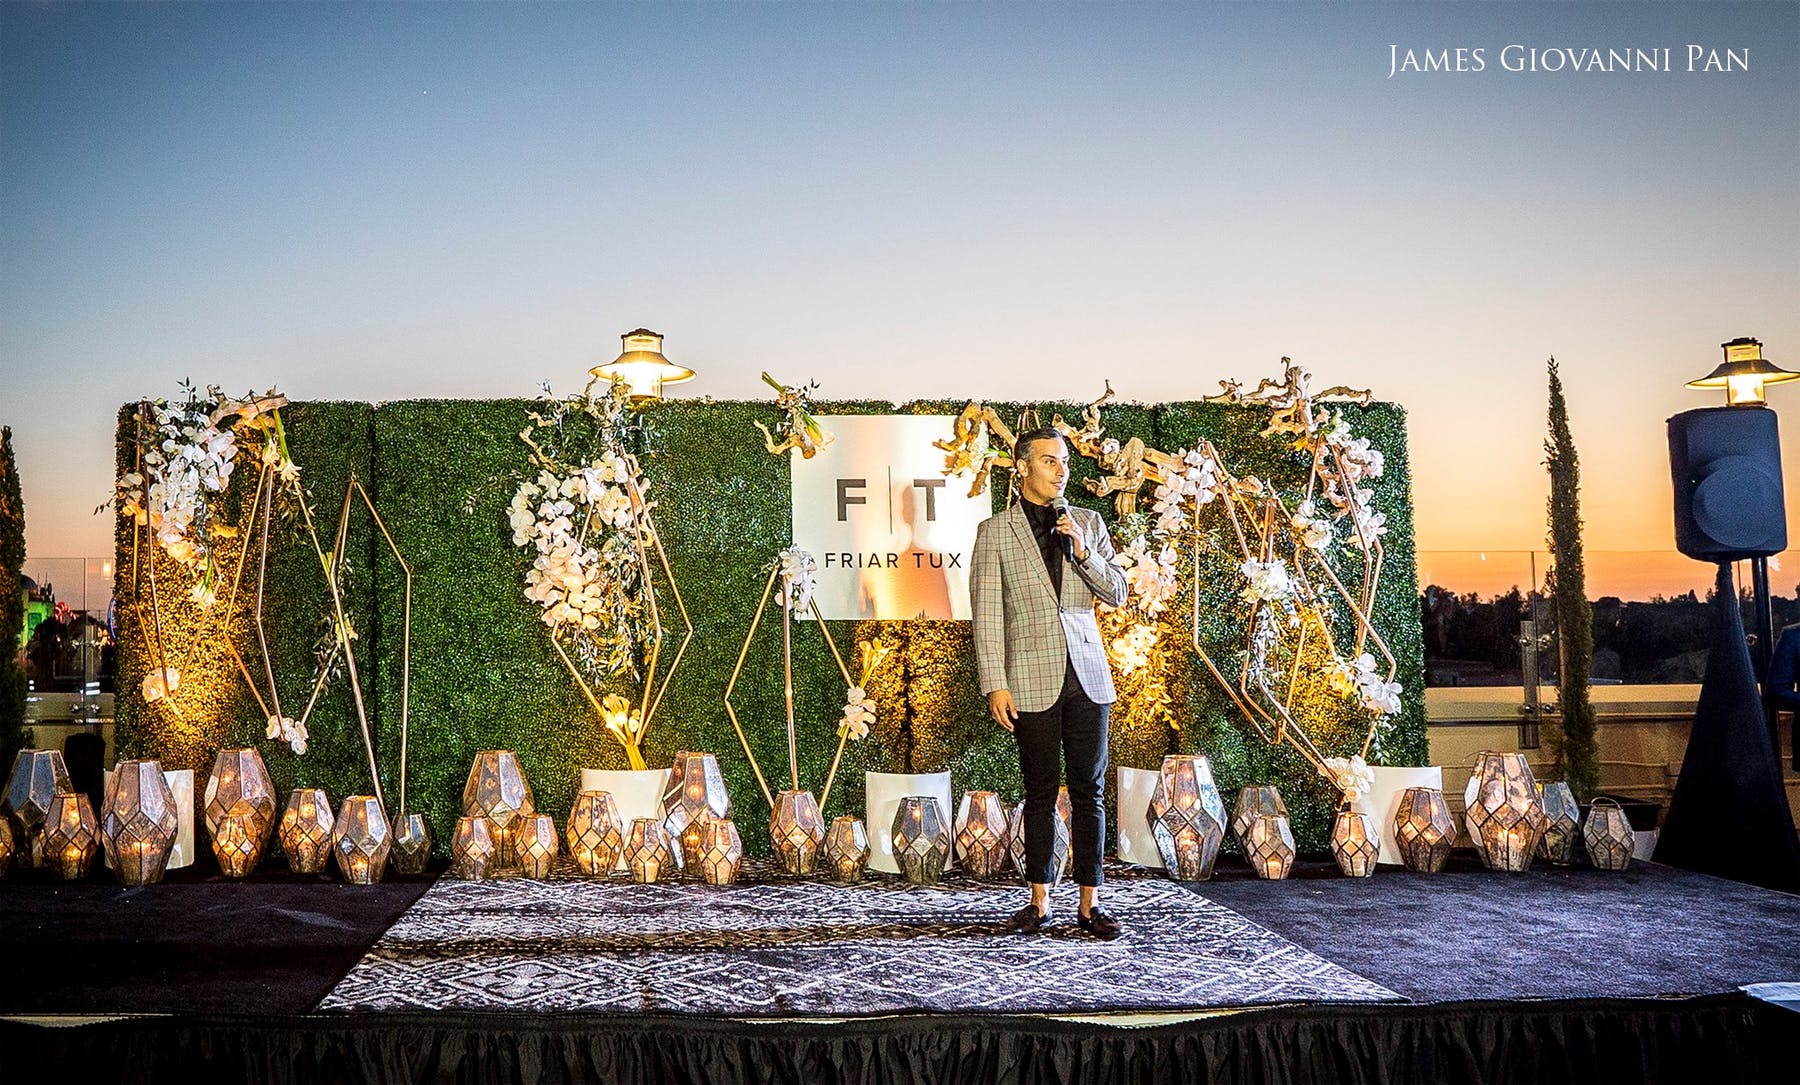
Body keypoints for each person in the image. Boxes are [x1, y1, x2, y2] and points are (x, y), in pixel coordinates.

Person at [970, 427, 1128, 938]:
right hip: (1028, 677)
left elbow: (1117, 593)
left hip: (1088, 677)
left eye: (1064, 461)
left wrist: (1083, 552)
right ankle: (1039, 902)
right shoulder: (995, 532)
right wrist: (995, 682)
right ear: (1022, 467)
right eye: (1049, 461)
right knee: (1038, 792)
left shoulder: (1088, 522)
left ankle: (1090, 904)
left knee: (1090, 791)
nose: (1061, 470)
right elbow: (987, 615)